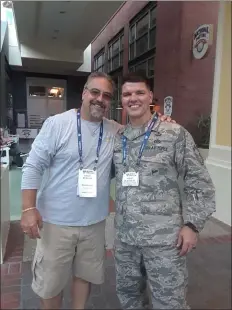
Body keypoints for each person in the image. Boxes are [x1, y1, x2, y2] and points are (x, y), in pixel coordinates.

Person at [20, 72, 172, 309]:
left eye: (107, 95)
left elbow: (142, 131)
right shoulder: (57, 124)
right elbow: (32, 166)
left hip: (94, 223)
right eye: (95, 92)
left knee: (85, 275)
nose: (100, 99)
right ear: (84, 93)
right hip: (56, 223)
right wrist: (28, 208)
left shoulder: (115, 130)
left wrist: (161, 122)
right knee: (50, 283)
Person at [113, 73, 216, 309]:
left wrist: (192, 225)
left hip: (164, 241)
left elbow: (200, 182)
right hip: (126, 240)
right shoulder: (119, 138)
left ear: (150, 96)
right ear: (122, 99)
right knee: (129, 297)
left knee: (170, 302)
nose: (133, 98)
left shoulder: (173, 134)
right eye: (127, 94)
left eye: (139, 92)